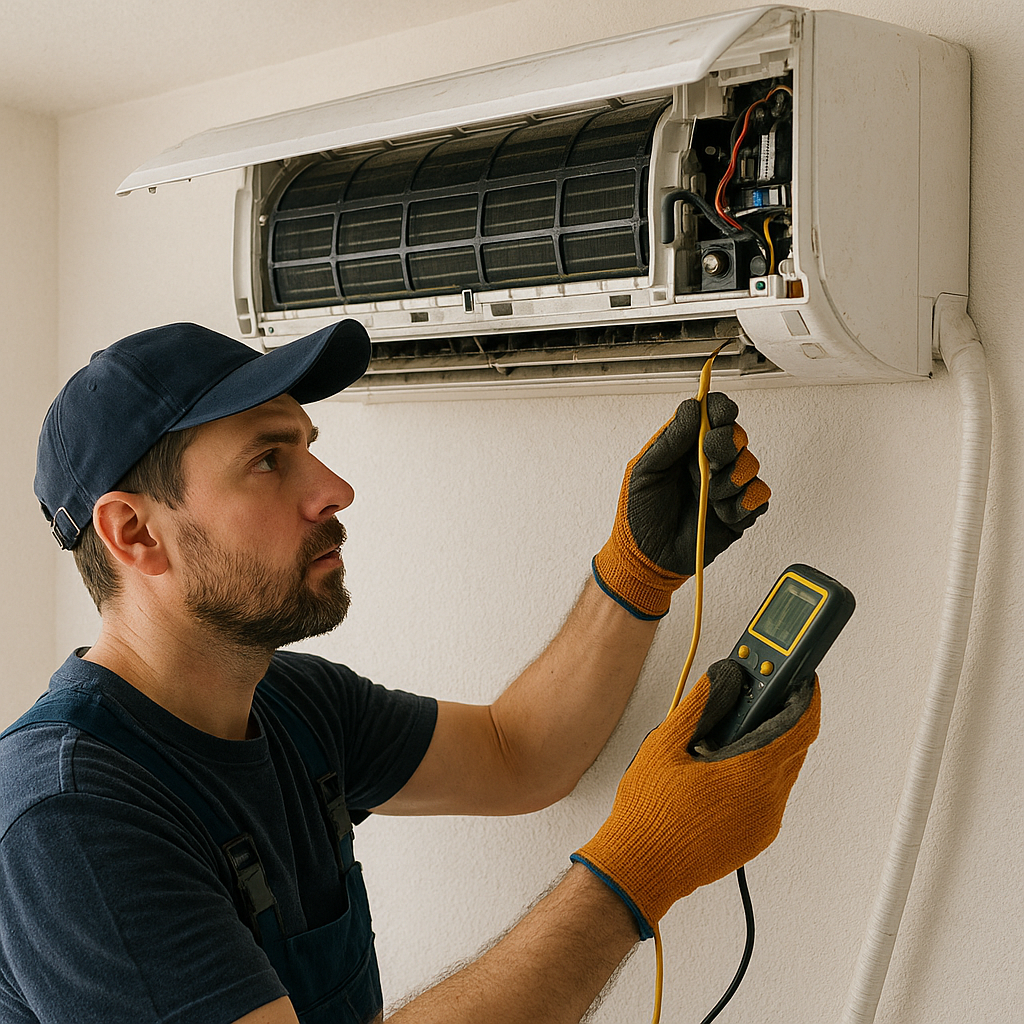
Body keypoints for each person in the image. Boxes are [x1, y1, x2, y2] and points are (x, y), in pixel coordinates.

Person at [0, 319, 819, 1024]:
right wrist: (644, 861)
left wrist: (636, 574)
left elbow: (518, 753)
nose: (336, 490)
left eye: (310, 449)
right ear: (134, 533)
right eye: (267, 461)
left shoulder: (290, 705)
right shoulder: (65, 819)